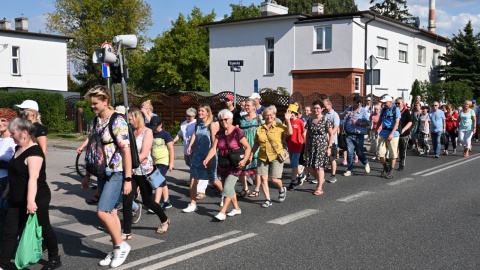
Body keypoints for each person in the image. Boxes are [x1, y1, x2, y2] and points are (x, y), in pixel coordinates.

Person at [81, 85, 133, 268]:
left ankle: (121, 245)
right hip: (103, 172)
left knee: (102, 211)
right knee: (111, 212)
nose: (92, 106)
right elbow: (94, 148)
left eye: (95, 103)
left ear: (105, 101)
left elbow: (126, 151)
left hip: (117, 172)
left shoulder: (117, 121)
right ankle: (116, 248)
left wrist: (127, 179)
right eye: (91, 104)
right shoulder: (97, 120)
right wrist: (87, 175)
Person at [0, 117, 61, 270]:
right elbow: (14, 173)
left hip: (36, 198)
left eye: (13, 133)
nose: (11, 135)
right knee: (10, 232)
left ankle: (54, 257)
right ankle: (2, 265)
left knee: (43, 228)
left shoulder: (35, 153)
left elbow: (33, 179)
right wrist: (8, 189)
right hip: (15, 198)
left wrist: (30, 201)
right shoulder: (17, 148)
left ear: (24, 133)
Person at [122, 107, 170, 239]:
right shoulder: (130, 131)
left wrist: (129, 162)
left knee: (148, 202)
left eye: (130, 118)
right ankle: (126, 232)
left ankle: (165, 220)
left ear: (137, 118)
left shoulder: (147, 132)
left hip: (144, 172)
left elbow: (144, 153)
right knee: (127, 200)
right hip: (131, 172)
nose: (128, 121)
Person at [204, 109, 251, 220]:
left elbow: (248, 147)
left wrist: (244, 160)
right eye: (221, 120)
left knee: (227, 188)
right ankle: (236, 208)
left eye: (226, 119)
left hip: (236, 165)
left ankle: (223, 212)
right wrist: (207, 159)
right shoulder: (219, 134)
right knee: (229, 188)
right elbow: (214, 148)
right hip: (223, 164)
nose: (223, 121)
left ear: (231, 120)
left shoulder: (237, 131)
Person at [251, 105, 293, 208]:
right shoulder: (260, 129)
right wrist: (251, 154)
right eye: (266, 115)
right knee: (263, 178)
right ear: (264, 117)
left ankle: (281, 189)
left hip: (276, 156)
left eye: (271, 115)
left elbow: (290, 132)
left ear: (274, 116)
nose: (269, 117)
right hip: (263, 156)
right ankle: (267, 199)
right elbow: (256, 143)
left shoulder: (279, 126)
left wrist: (287, 120)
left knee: (274, 179)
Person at [184, 104, 222, 213]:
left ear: (208, 112)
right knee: (193, 178)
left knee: (213, 179)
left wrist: (210, 158)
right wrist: (190, 146)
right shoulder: (198, 123)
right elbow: (195, 135)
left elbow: (215, 142)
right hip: (197, 155)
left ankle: (225, 196)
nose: (200, 113)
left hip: (209, 155)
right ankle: (193, 203)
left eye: (202, 111)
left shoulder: (212, 124)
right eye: (199, 111)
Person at [305, 100, 334, 195]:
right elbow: (308, 134)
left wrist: (329, 147)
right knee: (308, 166)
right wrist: (305, 147)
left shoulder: (326, 120)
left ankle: (319, 187)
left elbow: (331, 134)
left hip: (321, 147)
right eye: (314, 108)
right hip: (311, 146)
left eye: (317, 108)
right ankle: (320, 179)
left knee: (319, 168)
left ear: (322, 109)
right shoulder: (310, 120)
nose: (315, 110)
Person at [340, 96, 371, 177]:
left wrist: (358, 123)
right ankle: (349, 169)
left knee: (359, 152)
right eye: (357, 102)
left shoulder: (363, 111)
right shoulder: (349, 109)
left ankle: (365, 162)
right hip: (349, 134)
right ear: (353, 102)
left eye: (360, 102)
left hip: (359, 135)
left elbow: (368, 123)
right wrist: (346, 113)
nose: (359, 104)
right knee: (350, 152)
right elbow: (340, 116)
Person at [149, 116, 174, 210]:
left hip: (164, 161)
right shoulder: (151, 133)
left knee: (157, 180)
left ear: (161, 125)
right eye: (153, 128)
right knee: (162, 181)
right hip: (154, 161)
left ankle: (156, 204)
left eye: (156, 128)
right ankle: (167, 201)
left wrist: (171, 162)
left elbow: (171, 149)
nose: (154, 130)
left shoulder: (165, 134)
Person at [238, 99, 262, 197]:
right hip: (244, 145)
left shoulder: (258, 118)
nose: (246, 107)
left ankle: (256, 189)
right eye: (246, 105)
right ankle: (245, 188)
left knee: (257, 170)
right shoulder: (242, 118)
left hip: (255, 146)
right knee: (242, 169)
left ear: (254, 107)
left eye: (248, 105)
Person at [375, 96, 400, 178]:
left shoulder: (395, 109)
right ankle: (386, 167)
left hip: (393, 133)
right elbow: (380, 120)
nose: (384, 104)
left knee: (393, 154)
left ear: (390, 102)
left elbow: (397, 123)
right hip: (383, 132)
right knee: (380, 153)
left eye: (385, 102)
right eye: (383, 102)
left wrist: (392, 134)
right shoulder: (383, 109)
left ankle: (390, 171)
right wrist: (376, 129)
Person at [0, 109, 17, 231]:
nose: (0, 123)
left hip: (6, 181)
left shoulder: (13, 141)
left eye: (3, 120)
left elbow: (18, 163)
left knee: (5, 213)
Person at [286, 103, 305, 190]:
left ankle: (293, 182)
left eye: (292, 112)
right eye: (289, 112)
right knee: (294, 163)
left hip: (298, 145)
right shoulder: (287, 121)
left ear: (295, 113)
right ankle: (301, 175)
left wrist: (305, 143)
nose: (290, 114)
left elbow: (303, 133)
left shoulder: (300, 122)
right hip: (290, 145)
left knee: (294, 164)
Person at [322, 98, 340, 183]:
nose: (324, 108)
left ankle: (333, 175)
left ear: (330, 105)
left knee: (332, 159)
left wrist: (330, 135)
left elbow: (336, 127)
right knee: (322, 159)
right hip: (323, 140)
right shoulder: (323, 114)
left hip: (332, 141)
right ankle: (320, 176)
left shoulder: (334, 115)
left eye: (325, 106)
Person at [395, 97, 413, 171]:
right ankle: (390, 163)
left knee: (402, 149)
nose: (397, 105)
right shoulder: (394, 111)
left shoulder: (406, 111)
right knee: (393, 149)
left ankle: (401, 164)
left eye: (398, 103)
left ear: (403, 103)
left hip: (404, 134)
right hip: (395, 133)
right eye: (396, 103)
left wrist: (404, 129)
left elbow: (410, 122)